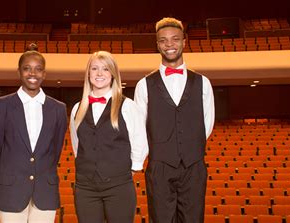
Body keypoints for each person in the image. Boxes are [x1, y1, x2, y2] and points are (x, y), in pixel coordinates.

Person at [134, 17, 215, 223]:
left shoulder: (203, 83)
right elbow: (140, 128)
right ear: (157, 44)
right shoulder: (144, 85)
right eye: (163, 40)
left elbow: (206, 124)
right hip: (159, 167)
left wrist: (189, 150)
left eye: (174, 39)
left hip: (194, 166)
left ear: (184, 42)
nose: (169, 44)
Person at [0, 43, 67, 223]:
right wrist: (10, 175)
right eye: (27, 69)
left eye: (38, 69)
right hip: (11, 189)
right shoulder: (2, 105)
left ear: (44, 74)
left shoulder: (58, 109)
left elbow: (56, 149)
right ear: (19, 72)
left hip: (45, 191)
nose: (33, 74)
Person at [70, 51, 148, 223]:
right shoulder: (77, 108)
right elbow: (77, 145)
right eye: (95, 68)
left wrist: (133, 168)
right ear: (88, 73)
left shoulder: (127, 105)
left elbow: (139, 140)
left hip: (118, 186)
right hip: (85, 188)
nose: (99, 74)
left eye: (105, 69)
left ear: (113, 74)